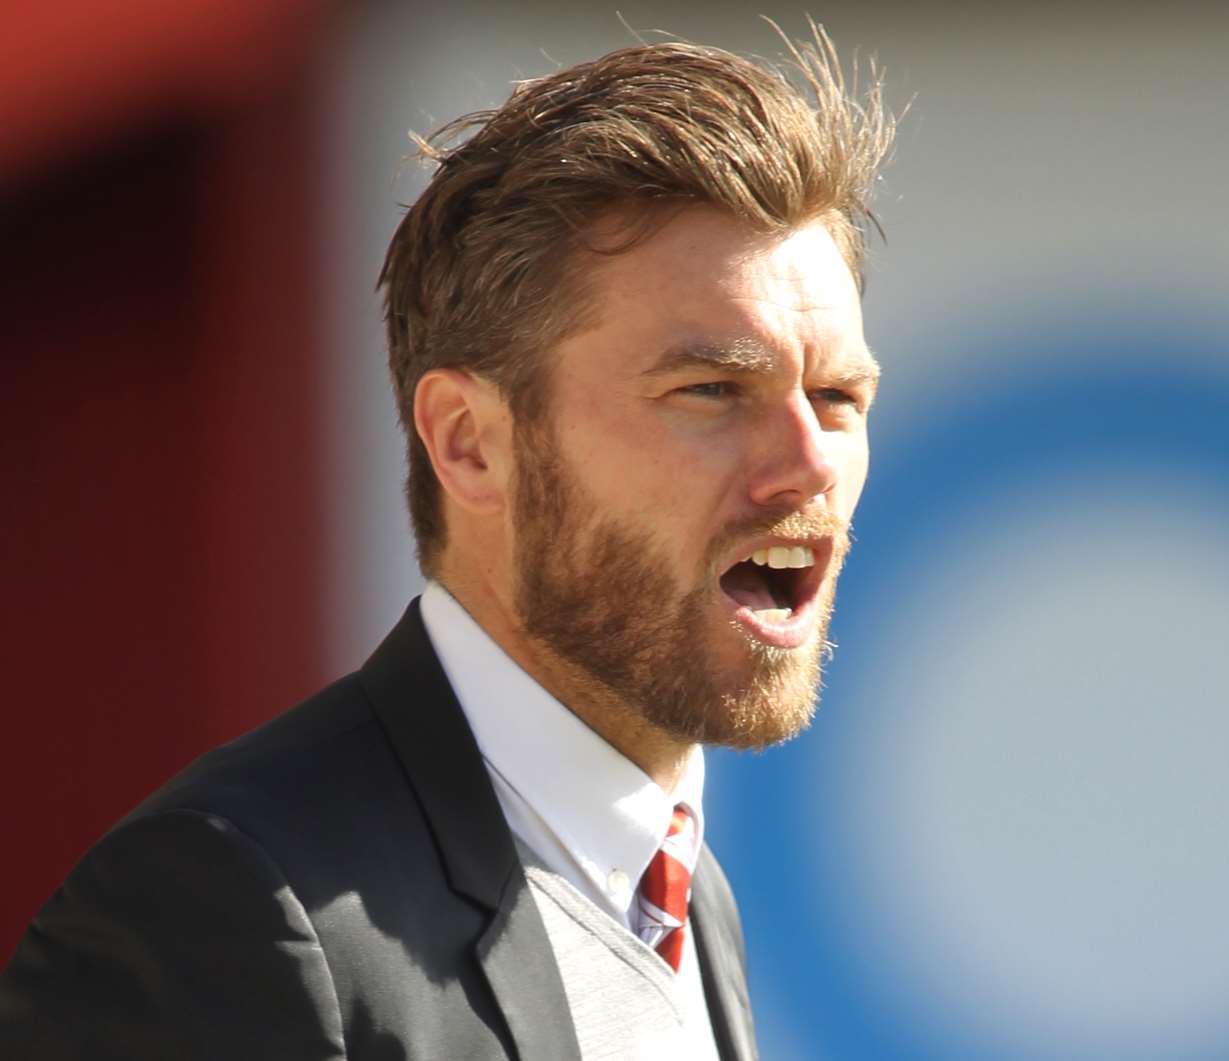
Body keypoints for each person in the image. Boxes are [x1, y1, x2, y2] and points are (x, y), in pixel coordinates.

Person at [0, 25, 892, 1061]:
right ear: (470, 444)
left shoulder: (684, 892)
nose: (809, 461)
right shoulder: (229, 908)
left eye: (837, 396)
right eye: (710, 391)